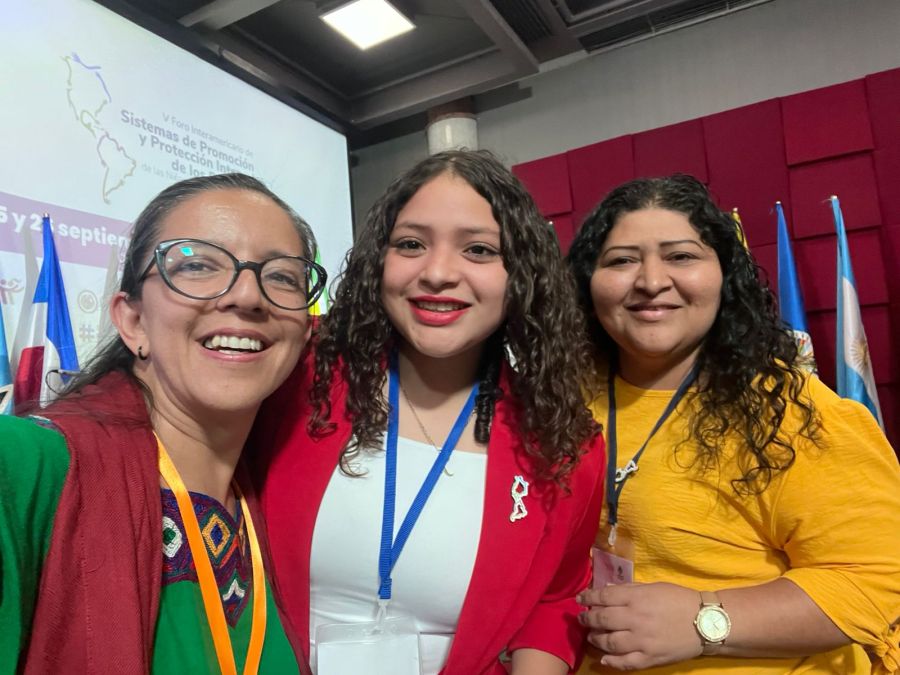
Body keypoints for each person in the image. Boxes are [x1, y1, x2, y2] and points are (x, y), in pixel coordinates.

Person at [252, 149, 605, 675]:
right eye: (411, 244)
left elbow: (555, 601)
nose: (437, 273)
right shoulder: (299, 372)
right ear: (379, 260)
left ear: (521, 276)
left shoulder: (562, 442)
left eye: (479, 250)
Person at [567, 174, 900, 674]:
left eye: (681, 256)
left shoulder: (795, 412)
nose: (651, 281)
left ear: (725, 276)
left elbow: (875, 581)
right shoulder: (561, 401)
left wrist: (705, 621)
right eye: (621, 260)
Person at [0, 173, 326, 674]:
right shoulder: (26, 467)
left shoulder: (269, 514)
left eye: (282, 276)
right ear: (133, 321)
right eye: (197, 265)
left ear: (303, 333)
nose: (247, 296)